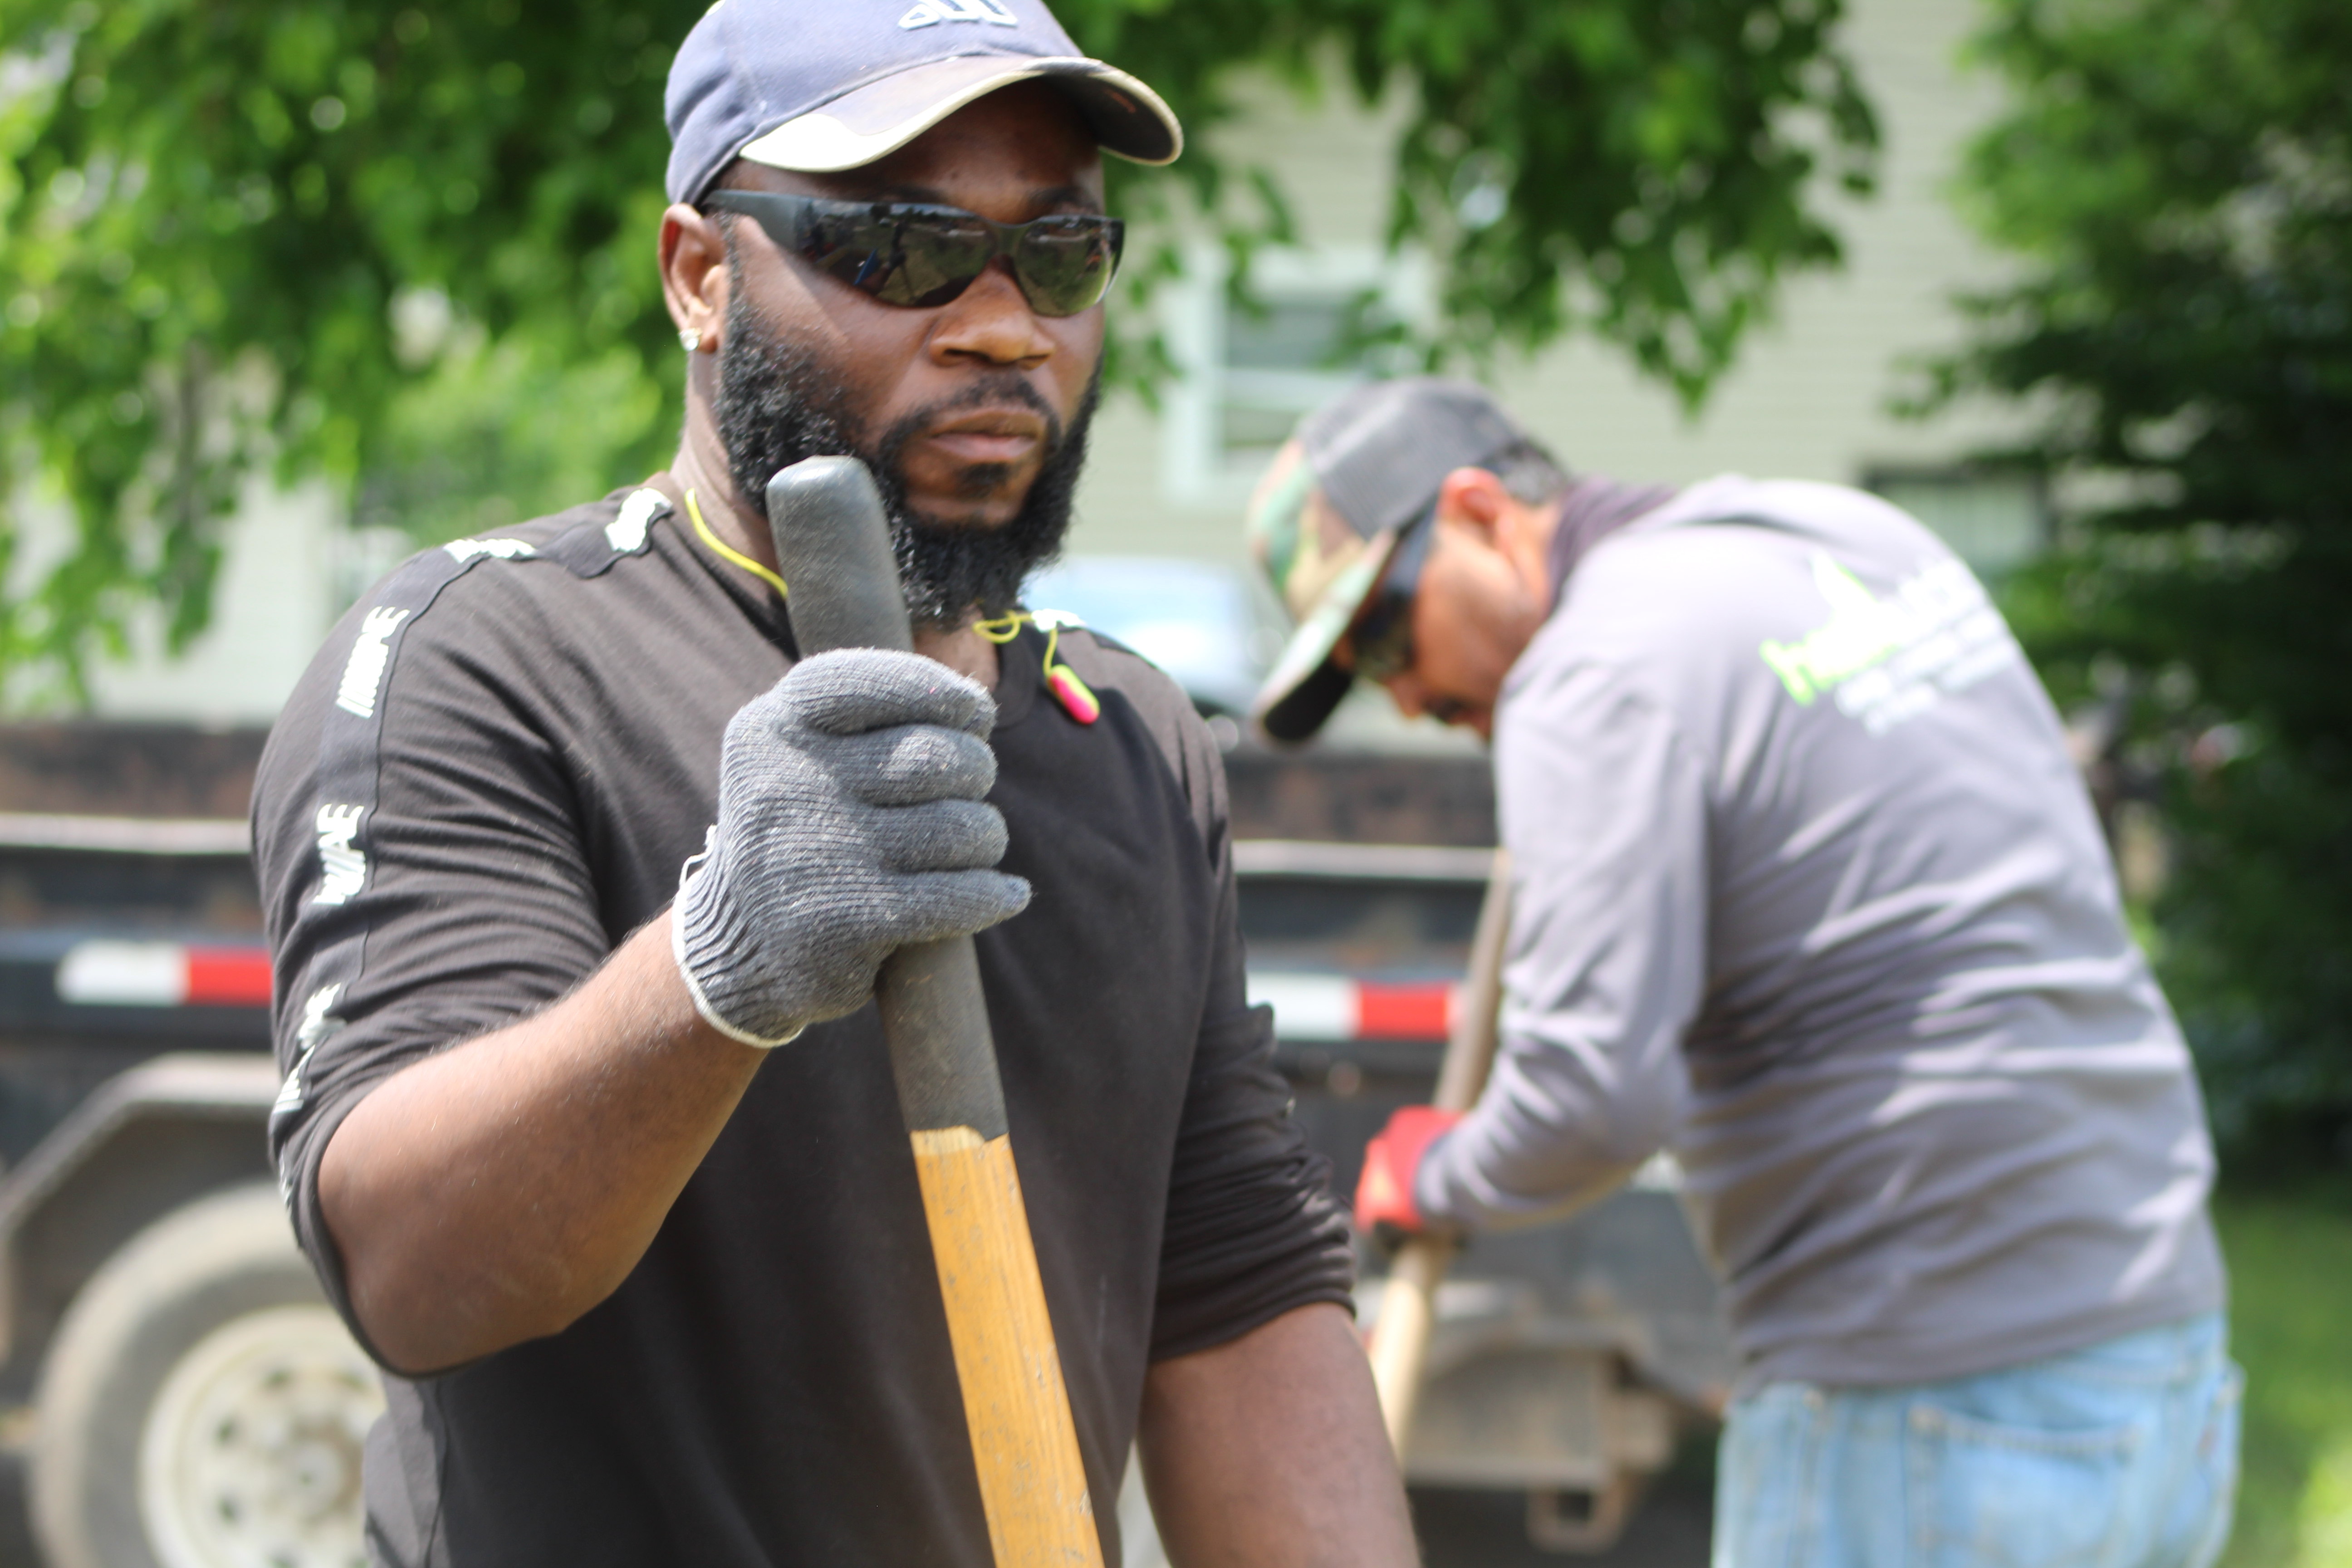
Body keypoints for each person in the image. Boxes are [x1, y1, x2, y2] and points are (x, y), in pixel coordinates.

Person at [253, 5, 1417, 1563]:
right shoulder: (495, 660)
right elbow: (413, 1269)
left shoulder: (1123, 734)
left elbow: (1235, 1290)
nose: (1007, 324)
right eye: (905, 247)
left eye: (1061, 254)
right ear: (700, 276)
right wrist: (719, 969)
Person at [1247, 378, 2241, 1567]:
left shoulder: (1595, 673)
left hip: (1924, 1412)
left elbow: (1591, 1098)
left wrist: (1439, 1172)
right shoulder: (1845, 537)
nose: (1406, 697)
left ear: (1479, 511)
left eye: (1390, 633)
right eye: (1365, 673)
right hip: (2160, 1359)